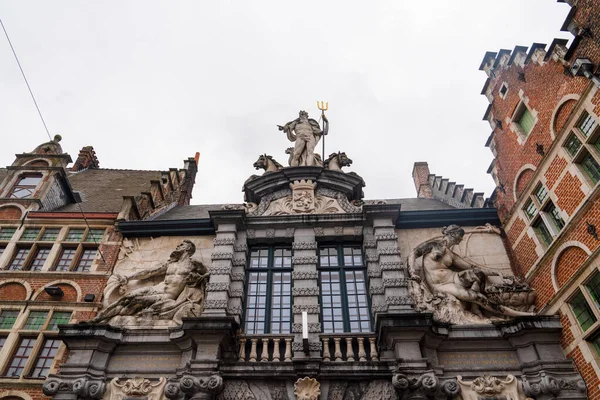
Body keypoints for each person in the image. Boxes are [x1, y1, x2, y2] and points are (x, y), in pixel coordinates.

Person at [409, 225, 532, 318]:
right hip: (441, 284)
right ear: (453, 234)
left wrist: (499, 274)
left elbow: (471, 267)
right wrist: (412, 271)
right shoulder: (433, 245)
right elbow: (414, 253)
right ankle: (512, 313)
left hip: (453, 277)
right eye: (460, 237)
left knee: (478, 274)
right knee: (476, 297)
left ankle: (475, 308)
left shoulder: (452, 254)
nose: (461, 240)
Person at [89, 240, 209, 325]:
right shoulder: (171, 264)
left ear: (187, 248)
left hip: (167, 296)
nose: (178, 246)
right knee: (128, 297)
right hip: (157, 288)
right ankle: (99, 319)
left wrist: (197, 279)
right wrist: (128, 278)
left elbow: (208, 276)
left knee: (136, 301)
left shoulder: (194, 264)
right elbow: (150, 272)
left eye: (181, 245)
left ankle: (117, 319)